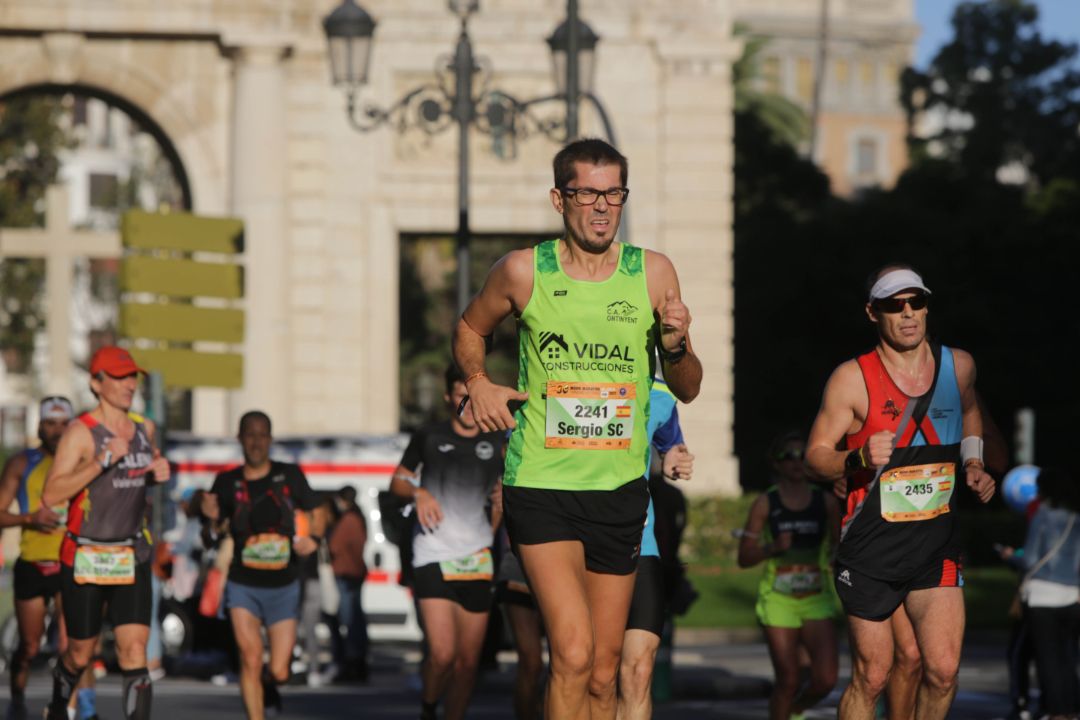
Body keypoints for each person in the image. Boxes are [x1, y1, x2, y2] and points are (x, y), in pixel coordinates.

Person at [453, 137, 702, 720]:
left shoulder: (653, 273)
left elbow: (686, 385)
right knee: (570, 651)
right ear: (558, 198)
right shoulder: (522, 270)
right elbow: (470, 328)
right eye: (587, 193)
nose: (600, 206)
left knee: (603, 670)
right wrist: (478, 381)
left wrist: (676, 343)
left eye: (613, 193)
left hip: (619, 492)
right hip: (541, 484)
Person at [805, 265, 995, 720]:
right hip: (870, 549)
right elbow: (815, 456)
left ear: (927, 306)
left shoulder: (960, 366)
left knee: (944, 671)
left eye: (916, 302)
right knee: (872, 676)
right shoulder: (852, 379)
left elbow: (969, 411)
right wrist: (857, 459)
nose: (908, 313)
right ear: (873, 313)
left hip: (935, 546)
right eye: (894, 305)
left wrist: (973, 461)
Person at [41, 347, 171, 720]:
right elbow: (52, 494)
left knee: (134, 651)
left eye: (132, 376)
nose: (129, 384)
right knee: (81, 652)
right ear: (96, 383)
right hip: (86, 555)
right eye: (119, 377)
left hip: (131, 554)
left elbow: (146, 467)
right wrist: (102, 460)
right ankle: (56, 704)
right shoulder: (81, 432)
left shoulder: (144, 428)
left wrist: (158, 470)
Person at [389, 364, 505, 720]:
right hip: (433, 555)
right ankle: (428, 708)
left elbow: (503, 495)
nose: (468, 404)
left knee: (468, 663)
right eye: (460, 397)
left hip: (477, 557)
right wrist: (419, 493)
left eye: (473, 397)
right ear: (447, 398)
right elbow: (397, 483)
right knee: (442, 655)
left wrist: (492, 524)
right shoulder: (428, 436)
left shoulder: (497, 440)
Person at [201, 411, 325, 720]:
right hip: (243, 584)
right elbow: (209, 536)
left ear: (270, 439)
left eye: (262, 435)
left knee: (281, 670)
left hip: (283, 585)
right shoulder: (227, 482)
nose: (256, 442)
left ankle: (270, 686)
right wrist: (211, 521)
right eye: (250, 435)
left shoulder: (290, 475)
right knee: (251, 658)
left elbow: (317, 510)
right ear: (240, 438)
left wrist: (315, 537)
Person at [0, 397, 100, 720]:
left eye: (63, 423)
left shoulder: (85, 462)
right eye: (50, 423)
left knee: (75, 642)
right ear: (39, 426)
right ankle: (17, 699)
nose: (57, 430)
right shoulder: (21, 463)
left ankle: (84, 708)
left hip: (71, 562)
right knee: (29, 646)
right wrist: (30, 519)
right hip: (33, 561)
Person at [738, 431, 839, 720]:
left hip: (816, 597)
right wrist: (772, 547)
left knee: (825, 680)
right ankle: (785, 708)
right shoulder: (765, 504)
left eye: (801, 454)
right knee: (788, 679)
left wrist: (836, 557)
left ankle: (795, 709)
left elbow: (838, 545)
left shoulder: (827, 502)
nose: (796, 461)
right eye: (788, 456)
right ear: (777, 464)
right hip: (779, 600)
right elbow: (743, 557)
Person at [617, 378, 694, 720]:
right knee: (590, 672)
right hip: (580, 539)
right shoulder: (570, 373)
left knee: (639, 670)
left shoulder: (660, 393)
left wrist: (673, 457)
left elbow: (670, 445)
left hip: (640, 542)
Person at [1000, 467, 1080, 720]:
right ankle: (1072, 708)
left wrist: (1012, 557)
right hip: (1071, 594)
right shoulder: (1075, 517)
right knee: (1068, 655)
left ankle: (1056, 710)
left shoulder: (1044, 515)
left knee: (1048, 658)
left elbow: (1032, 558)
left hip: (1042, 595)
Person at [328, 485, 369, 683]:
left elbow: (335, 545)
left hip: (347, 574)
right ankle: (356, 660)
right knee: (355, 619)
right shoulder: (358, 518)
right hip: (355, 573)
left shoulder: (348, 520)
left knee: (349, 620)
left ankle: (352, 661)